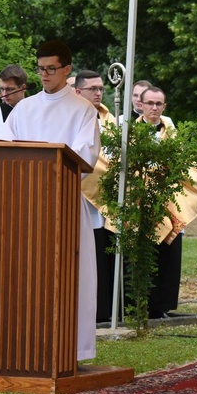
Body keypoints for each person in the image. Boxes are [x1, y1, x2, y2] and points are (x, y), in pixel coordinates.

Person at [1, 40, 100, 361]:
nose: (43, 74)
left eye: (50, 69)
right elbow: (6, 150)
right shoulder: (24, 108)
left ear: (67, 69)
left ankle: (69, 347)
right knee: (26, 276)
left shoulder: (83, 110)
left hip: (64, 203)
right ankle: (25, 343)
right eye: (40, 68)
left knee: (67, 276)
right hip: (26, 205)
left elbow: (85, 156)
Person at [136, 85, 197, 319]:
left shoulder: (174, 134)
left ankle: (161, 306)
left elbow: (189, 167)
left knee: (168, 257)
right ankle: (137, 304)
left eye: (158, 104)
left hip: (169, 203)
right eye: (149, 103)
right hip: (140, 203)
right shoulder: (130, 132)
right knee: (141, 256)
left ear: (164, 107)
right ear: (140, 105)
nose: (154, 108)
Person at [75, 70, 117, 323]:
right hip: (81, 193)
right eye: (93, 89)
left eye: (101, 88)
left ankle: (105, 309)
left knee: (103, 254)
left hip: (106, 197)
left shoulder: (107, 120)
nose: (99, 93)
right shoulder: (72, 117)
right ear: (78, 92)